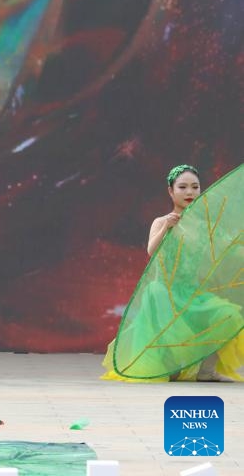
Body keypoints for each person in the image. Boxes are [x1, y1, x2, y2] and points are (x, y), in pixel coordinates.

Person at [103, 164, 243, 382]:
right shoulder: (162, 221)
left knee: (229, 315)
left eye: (195, 187)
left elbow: (230, 248)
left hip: (191, 293)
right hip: (164, 292)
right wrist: (166, 227)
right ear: (171, 191)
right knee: (163, 313)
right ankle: (169, 367)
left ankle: (206, 372)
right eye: (183, 187)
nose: (190, 192)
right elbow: (151, 250)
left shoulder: (204, 226)